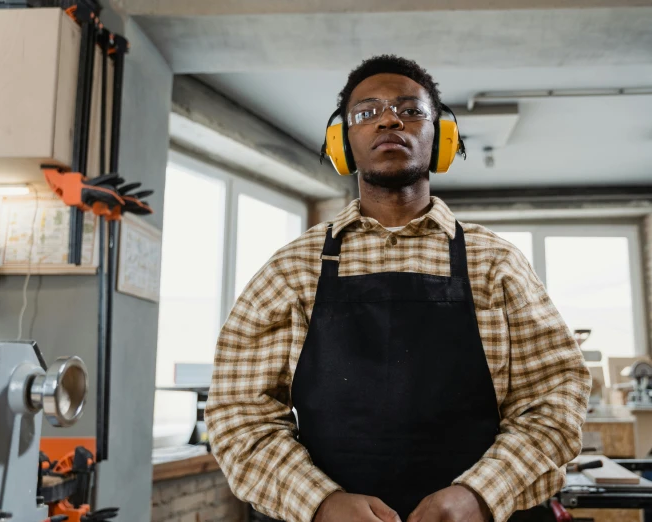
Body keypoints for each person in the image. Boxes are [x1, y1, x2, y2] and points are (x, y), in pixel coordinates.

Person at [205, 55, 591, 522]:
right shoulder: (292, 270)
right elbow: (238, 414)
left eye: (411, 110)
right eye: (367, 112)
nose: (389, 119)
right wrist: (320, 502)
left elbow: (556, 400)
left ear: (442, 138)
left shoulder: (496, 264)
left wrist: (480, 495)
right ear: (342, 142)